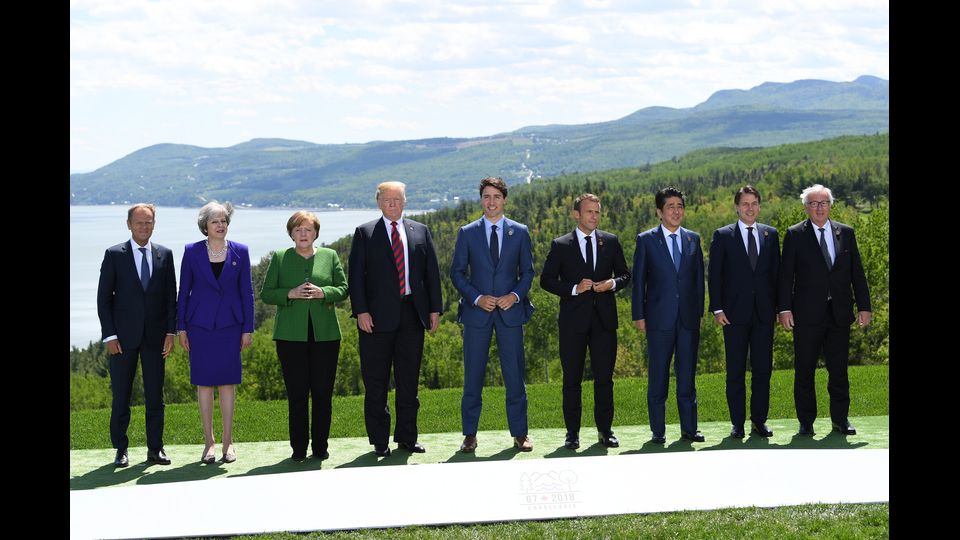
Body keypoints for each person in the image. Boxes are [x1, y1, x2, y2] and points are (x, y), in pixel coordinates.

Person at [348, 181, 443, 456]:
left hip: (413, 315)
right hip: (375, 319)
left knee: (408, 381)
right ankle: (380, 441)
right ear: (379, 202)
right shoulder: (365, 233)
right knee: (376, 382)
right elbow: (356, 277)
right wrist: (361, 311)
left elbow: (432, 273)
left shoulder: (420, 231)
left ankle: (407, 438)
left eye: (397, 199)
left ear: (405, 202)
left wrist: (434, 310)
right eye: (387, 200)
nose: (393, 204)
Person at [777, 184, 871, 436]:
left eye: (824, 203)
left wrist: (864, 306)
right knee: (804, 371)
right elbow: (786, 276)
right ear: (806, 207)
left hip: (839, 313)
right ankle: (806, 422)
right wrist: (784, 309)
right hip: (806, 315)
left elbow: (857, 273)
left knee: (838, 371)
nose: (819, 208)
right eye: (814, 203)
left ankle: (840, 419)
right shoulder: (795, 234)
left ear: (830, 205)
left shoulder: (846, 232)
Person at [451, 177, 535, 452]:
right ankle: (470, 435)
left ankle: (520, 434)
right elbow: (457, 273)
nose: (491, 202)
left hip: (510, 313)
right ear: (481, 200)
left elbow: (528, 272)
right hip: (477, 315)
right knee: (473, 376)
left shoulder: (519, 232)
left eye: (496, 196)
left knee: (514, 376)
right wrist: (477, 298)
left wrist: (514, 296)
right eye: (486, 196)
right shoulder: (467, 232)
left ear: (504, 200)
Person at [540, 193, 631, 450]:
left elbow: (625, 275)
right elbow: (546, 280)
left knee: (605, 380)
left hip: (604, 322)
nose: (594, 216)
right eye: (589, 211)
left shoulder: (610, 241)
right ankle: (572, 434)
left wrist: (611, 284)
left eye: (597, 212)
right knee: (572, 380)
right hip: (572, 324)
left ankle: (605, 431)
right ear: (576, 214)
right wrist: (573, 289)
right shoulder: (561, 245)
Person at [261, 211, 348, 462]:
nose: (303, 234)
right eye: (298, 229)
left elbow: (343, 289)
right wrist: (290, 293)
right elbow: (267, 293)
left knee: (323, 394)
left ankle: (320, 448)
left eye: (308, 229)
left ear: (316, 233)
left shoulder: (330, 256)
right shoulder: (280, 257)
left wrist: (324, 292)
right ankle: (298, 449)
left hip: (326, 337)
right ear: (291, 233)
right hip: (290, 338)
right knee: (297, 395)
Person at [97, 203, 177, 467]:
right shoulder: (114, 254)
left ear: (154, 224)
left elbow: (171, 297)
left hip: (156, 338)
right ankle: (121, 449)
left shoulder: (165, 254)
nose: (144, 226)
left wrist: (171, 332)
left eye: (149, 222)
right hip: (122, 339)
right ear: (129, 224)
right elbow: (103, 299)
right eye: (139, 222)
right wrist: (109, 336)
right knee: (121, 396)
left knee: (155, 396)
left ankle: (155, 448)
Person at [176, 201, 254, 464]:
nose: (221, 225)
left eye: (224, 221)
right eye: (215, 221)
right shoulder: (192, 251)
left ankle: (228, 442)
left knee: (227, 384)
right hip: (199, 327)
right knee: (205, 384)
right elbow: (183, 291)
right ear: (205, 226)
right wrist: (181, 327)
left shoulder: (241, 251)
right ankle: (209, 443)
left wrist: (248, 328)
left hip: (231, 327)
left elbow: (247, 293)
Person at [632, 187, 705, 444]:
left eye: (679, 206)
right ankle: (658, 431)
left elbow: (699, 280)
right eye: (670, 206)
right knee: (658, 377)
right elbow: (638, 281)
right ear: (659, 212)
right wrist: (639, 315)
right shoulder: (646, 240)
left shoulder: (693, 239)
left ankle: (689, 429)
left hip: (688, 320)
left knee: (687, 376)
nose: (676, 211)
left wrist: (699, 313)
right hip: (658, 320)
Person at [707, 186, 779, 439]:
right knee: (735, 372)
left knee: (762, 371)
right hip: (733, 315)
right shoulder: (723, 235)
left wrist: (780, 309)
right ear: (737, 207)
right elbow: (715, 275)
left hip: (764, 315)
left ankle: (759, 421)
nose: (750, 208)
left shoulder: (771, 234)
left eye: (754, 203)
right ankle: (737, 423)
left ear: (759, 206)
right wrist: (717, 308)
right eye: (745, 204)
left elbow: (777, 275)